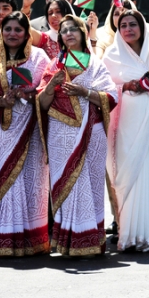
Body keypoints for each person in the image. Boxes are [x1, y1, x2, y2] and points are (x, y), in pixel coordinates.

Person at [37, 14, 117, 256]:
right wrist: (51, 86)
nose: (68, 33)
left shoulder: (95, 64)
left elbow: (111, 97)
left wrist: (84, 91)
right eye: (64, 30)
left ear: (83, 33)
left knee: (89, 185)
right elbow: (41, 103)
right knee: (65, 184)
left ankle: (90, 239)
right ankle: (67, 242)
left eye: (74, 29)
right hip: (60, 136)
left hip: (91, 133)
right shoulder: (54, 64)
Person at [0, 12, 51, 256]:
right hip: (1, 130)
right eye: (8, 29)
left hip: (32, 128)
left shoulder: (39, 57)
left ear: (27, 33)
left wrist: (32, 93)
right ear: (1, 30)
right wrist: (0, 101)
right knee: (6, 183)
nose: (12, 34)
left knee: (31, 183)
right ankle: (6, 240)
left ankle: (32, 240)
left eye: (18, 29)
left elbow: (48, 87)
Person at [103, 10, 149, 252]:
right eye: (123, 25)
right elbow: (106, 89)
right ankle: (128, 235)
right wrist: (127, 86)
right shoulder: (111, 56)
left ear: (142, 26)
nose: (128, 29)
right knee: (128, 176)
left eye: (133, 24)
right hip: (126, 124)